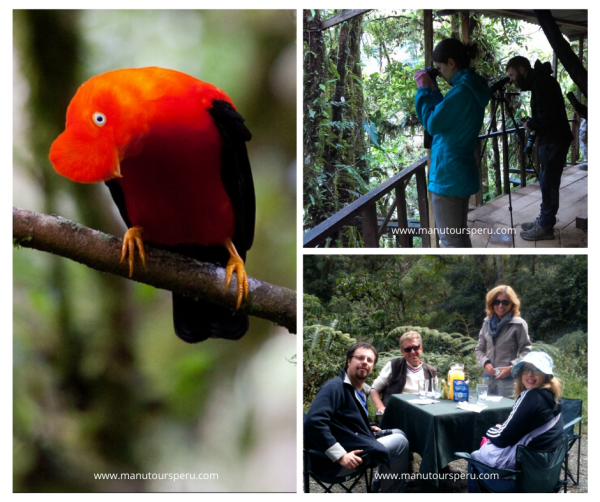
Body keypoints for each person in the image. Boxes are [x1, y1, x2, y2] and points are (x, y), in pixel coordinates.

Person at [413, 38, 491, 247]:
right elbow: (446, 116)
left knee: (451, 240)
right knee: (458, 236)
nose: (439, 72)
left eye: (439, 68)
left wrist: (423, 90)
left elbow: (433, 123)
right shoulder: (468, 88)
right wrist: (435, 91)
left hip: (449, 175)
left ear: (451, 62)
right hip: (459, 170)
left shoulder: (462, 91)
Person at [304, 342, 410, 492]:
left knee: (399, 433)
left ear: (372, 366)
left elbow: (343, 421)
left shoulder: (360, 391)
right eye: (360, 358)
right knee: (400, 442)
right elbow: (314, 422)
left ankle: (378, 484)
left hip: (354, 443)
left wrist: (366, 427)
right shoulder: (335, 387)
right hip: (335, 462)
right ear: (349, 361)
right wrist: (340, 455)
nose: (364, 362)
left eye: (369, 360)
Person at [468, 352, 564, 492]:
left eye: (536, 370)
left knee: (474, 458)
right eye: (526, 369)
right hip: (544, 478)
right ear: (520, 374)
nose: (530, 374)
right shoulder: (553, 398)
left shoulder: (530, 396)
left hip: (520, 482)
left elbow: (502, 438)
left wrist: (492, 429)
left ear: (546, 376)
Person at [506, 56, 574, 241]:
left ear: (521, 69)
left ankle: (545, 226)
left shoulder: (541, 82)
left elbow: (546, 117)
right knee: (546, 182)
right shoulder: (540, 80)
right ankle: (544, 220)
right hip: (553, 139)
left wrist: (530, 124)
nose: (511, 80)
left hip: (554, 140)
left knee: (549, 183)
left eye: (511, 75)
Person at [475, 285, 532, 398]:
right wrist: (485, 363)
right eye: (497, 302)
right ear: (492, 304)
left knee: (506, 413)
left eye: (505, 302)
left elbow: (526, 350)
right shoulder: (487, 323)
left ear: (512, 304)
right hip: (488, 380)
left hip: (509, 382)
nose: (500, 305)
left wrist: (512, 367)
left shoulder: (518, 324)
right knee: (486, 413)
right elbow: (479, 349)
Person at [371, 331, 437, 415]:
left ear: (421, 348)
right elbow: (374, 390)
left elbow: (435, 395)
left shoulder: (431, 371)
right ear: (403, 352)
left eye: (415, 348)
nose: (412, 352)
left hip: (424, 414)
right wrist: (380, 407)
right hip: (397, 414)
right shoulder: (393, 366)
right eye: (408, 349)